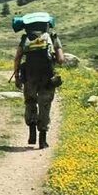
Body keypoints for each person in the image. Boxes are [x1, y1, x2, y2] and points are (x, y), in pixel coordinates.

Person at [12, 14, 63, 149]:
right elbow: (61, 59)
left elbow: (17, 58)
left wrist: (17, 77)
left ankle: (32, 132)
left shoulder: (25, 39)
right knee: (44, 106)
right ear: (46, 25)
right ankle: (42, 140)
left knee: (30, 102)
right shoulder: (52, 37)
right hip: (47, 78)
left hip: (29, 77)